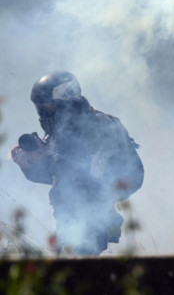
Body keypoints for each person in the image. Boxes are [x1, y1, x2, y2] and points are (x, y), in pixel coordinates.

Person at [10, 71, 144, 255]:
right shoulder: (60, 134)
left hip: (93, 217)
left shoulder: (98, 125)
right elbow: (56, 175)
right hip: (71, 218)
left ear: (66, 103)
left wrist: (46, 158)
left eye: (48, 108)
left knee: (75, 271)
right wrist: (28, 165)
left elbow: (82, 169)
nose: (43, 115)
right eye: (40, 109)